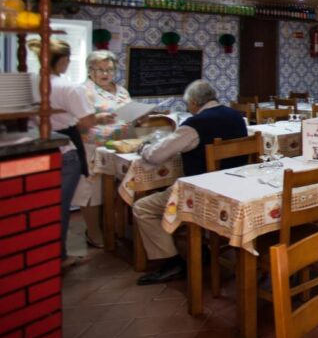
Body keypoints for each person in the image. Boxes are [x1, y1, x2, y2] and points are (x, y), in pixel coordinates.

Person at [132, 80, 248, 285]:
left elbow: (156, 156)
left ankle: (171, 261)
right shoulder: (236, 116)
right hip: (234, 188)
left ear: (194, 103)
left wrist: (143, 148)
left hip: (201, 193)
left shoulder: (194, 125)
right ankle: (200, 246)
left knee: (142, 207)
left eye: (188, 105)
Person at [28, 39, 113, 266]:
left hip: (40, 147)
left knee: (44, 204)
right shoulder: (69, 88)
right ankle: (58, 257)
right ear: (64, 60)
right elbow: (86, 122)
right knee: (60, 205)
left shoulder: (31, 81)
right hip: (65, 149)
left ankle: (41, 253)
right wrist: (103, 117)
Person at [74, 51, 135, 248]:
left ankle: (110, 227)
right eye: (100, 69)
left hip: (119, 147)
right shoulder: (83, 91)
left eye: (110, 69)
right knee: (91, 192)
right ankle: (93, 232)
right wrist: (98, 119)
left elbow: (128, 114)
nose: (105, 74)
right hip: (93, 147)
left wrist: (138, 116)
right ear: (90, 70)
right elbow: (75, 123)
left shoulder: (121, 90)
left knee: (113, 190)